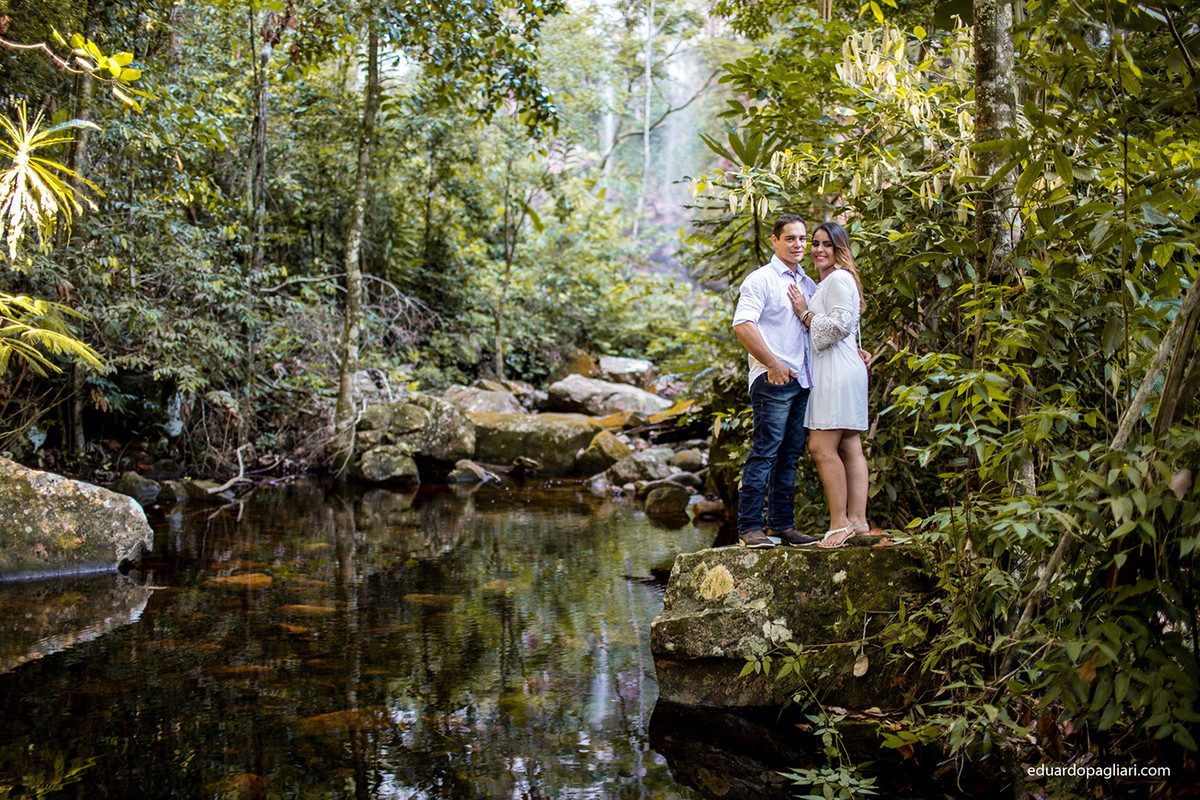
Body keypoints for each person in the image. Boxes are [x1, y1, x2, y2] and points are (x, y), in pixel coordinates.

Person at [731, 214, 820, 549]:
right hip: (773, 380)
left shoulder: (809, 285)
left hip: (803, 381)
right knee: (765, 451)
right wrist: (773, 363)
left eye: (802, 239)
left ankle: (782, 524)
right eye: (790, 239)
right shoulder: (762, 280)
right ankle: (750, 527)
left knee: (790, 453)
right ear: (774, 241)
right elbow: (743, 325)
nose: (798, 245)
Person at [787, 221, 870, 548]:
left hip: (836, 371)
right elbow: (849, 325)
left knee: (821, 447)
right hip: (843, 366)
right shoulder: (834, 280)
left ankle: (839, 524)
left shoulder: (837, 278)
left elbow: (838, 325)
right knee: (850, 445)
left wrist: (804, 314)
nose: (819, 250)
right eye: (816, 244)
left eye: (827, 245)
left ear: (839, 249)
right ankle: (858, 521)